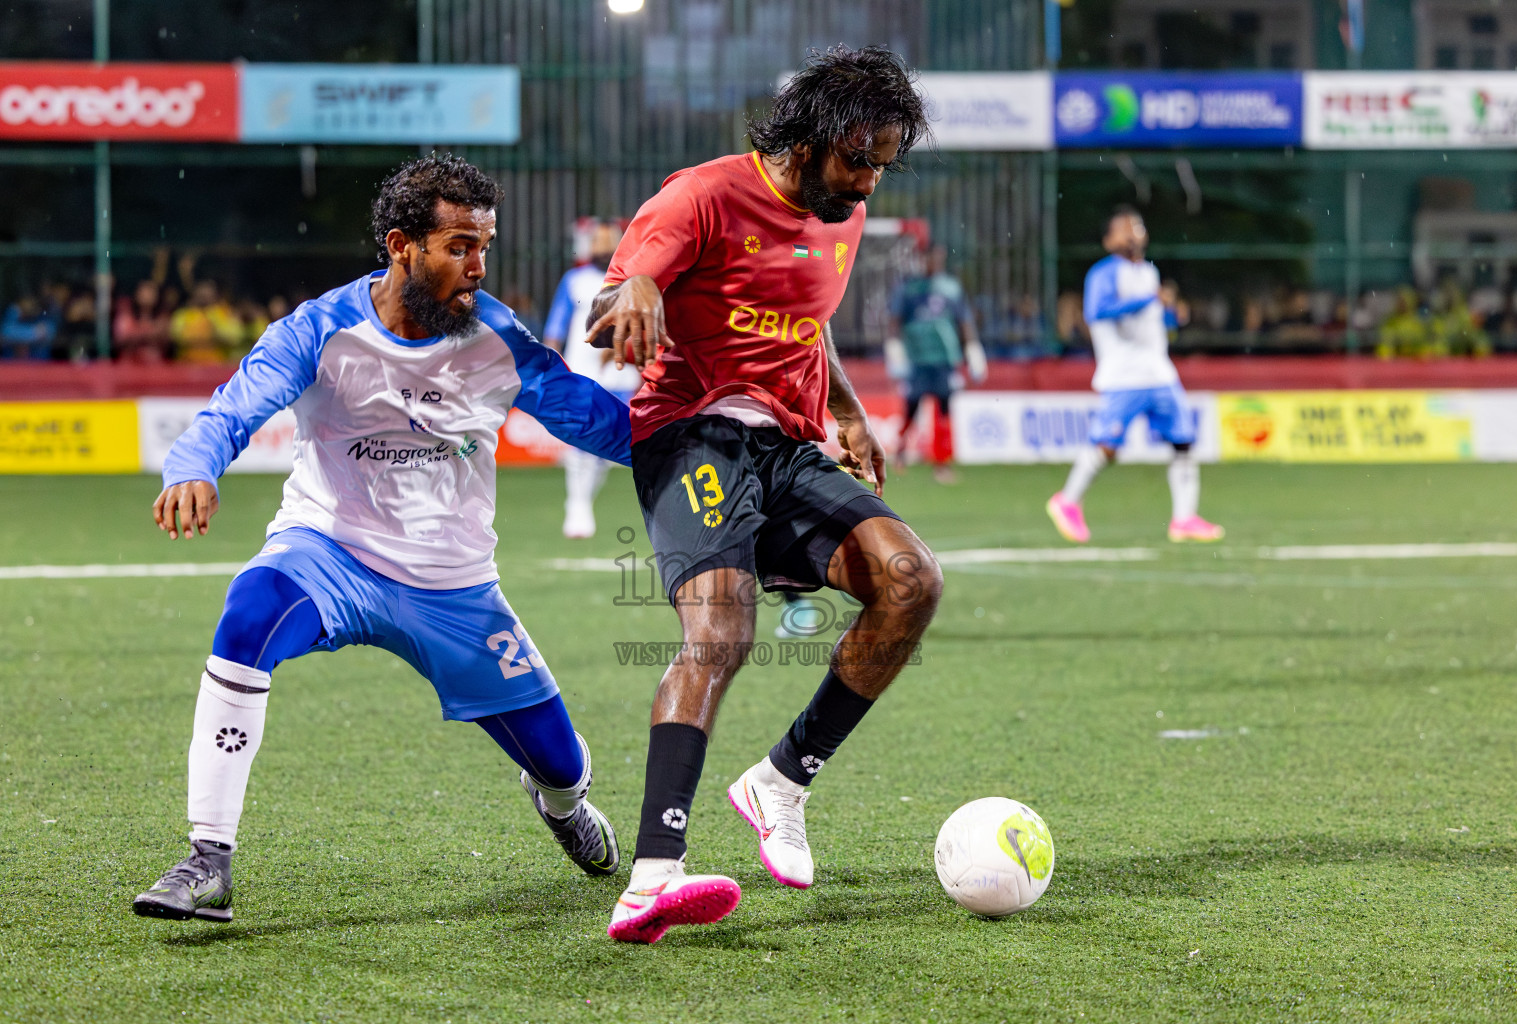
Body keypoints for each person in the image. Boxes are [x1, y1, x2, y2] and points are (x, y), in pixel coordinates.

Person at [132, 155, 633, 924]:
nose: (477, 267)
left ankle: (563, 808)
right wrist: (193, 466)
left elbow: (592, 418)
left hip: (455, 584)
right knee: (249, 609)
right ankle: (207, 861)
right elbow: (235, 407)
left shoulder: (496, 336)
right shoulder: (320, 327)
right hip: (331, 553)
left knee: (562, 765)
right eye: (459, 246)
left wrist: (709, 444)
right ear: (402, 245)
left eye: (484, 247)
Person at [584, 44, 943, 943]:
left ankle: (781, 780)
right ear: (812, 135)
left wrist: (852, 411)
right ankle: (652, 879)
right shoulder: (702, 194)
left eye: (881, 168)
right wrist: (634, 293)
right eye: (858, 160)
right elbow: (618, 292)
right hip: (690, 431)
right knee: (722, 633)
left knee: (911, 580)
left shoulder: (844, 217)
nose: (866, 187)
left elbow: (804, 327)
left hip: (789, 445)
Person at [1046, 206, 1223, 544]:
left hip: (1158, 372)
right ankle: (1067, 500)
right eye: (1124, 228)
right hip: (1124, 374)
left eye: (1138, 226)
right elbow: (1097, 311)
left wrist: (1171, 314)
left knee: (1184, 441)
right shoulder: (1104, 273)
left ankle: (1184, 519)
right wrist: (1147, 300)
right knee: (1107, 446)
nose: (1133, 233)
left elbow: (1152, 321)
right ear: (1108, 240)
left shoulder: (1149, 273)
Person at [543, 223, 641, 538]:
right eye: (598, 242)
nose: (603, 248)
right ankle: (578, 504)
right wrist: (550, 360)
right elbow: (557, 322)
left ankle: (583, 500)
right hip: (581, 370)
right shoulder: (574, 280)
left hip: (620, 372)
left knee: (609, 445)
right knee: (583, 439)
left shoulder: (632, 279)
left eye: (609, 242)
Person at [887, 245, 985, 484]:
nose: (934, 263)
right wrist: (894, 348)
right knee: (911, 408)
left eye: (938, 259)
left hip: (944, 359)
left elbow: (964, 322)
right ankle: (899, 454)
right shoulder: (908, 289)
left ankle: (942, 463)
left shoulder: (951, 288)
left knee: (944, 410)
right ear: (923, 260)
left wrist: (973, 349)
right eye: (930, 258)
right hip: (918, 358)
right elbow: (895, 321)